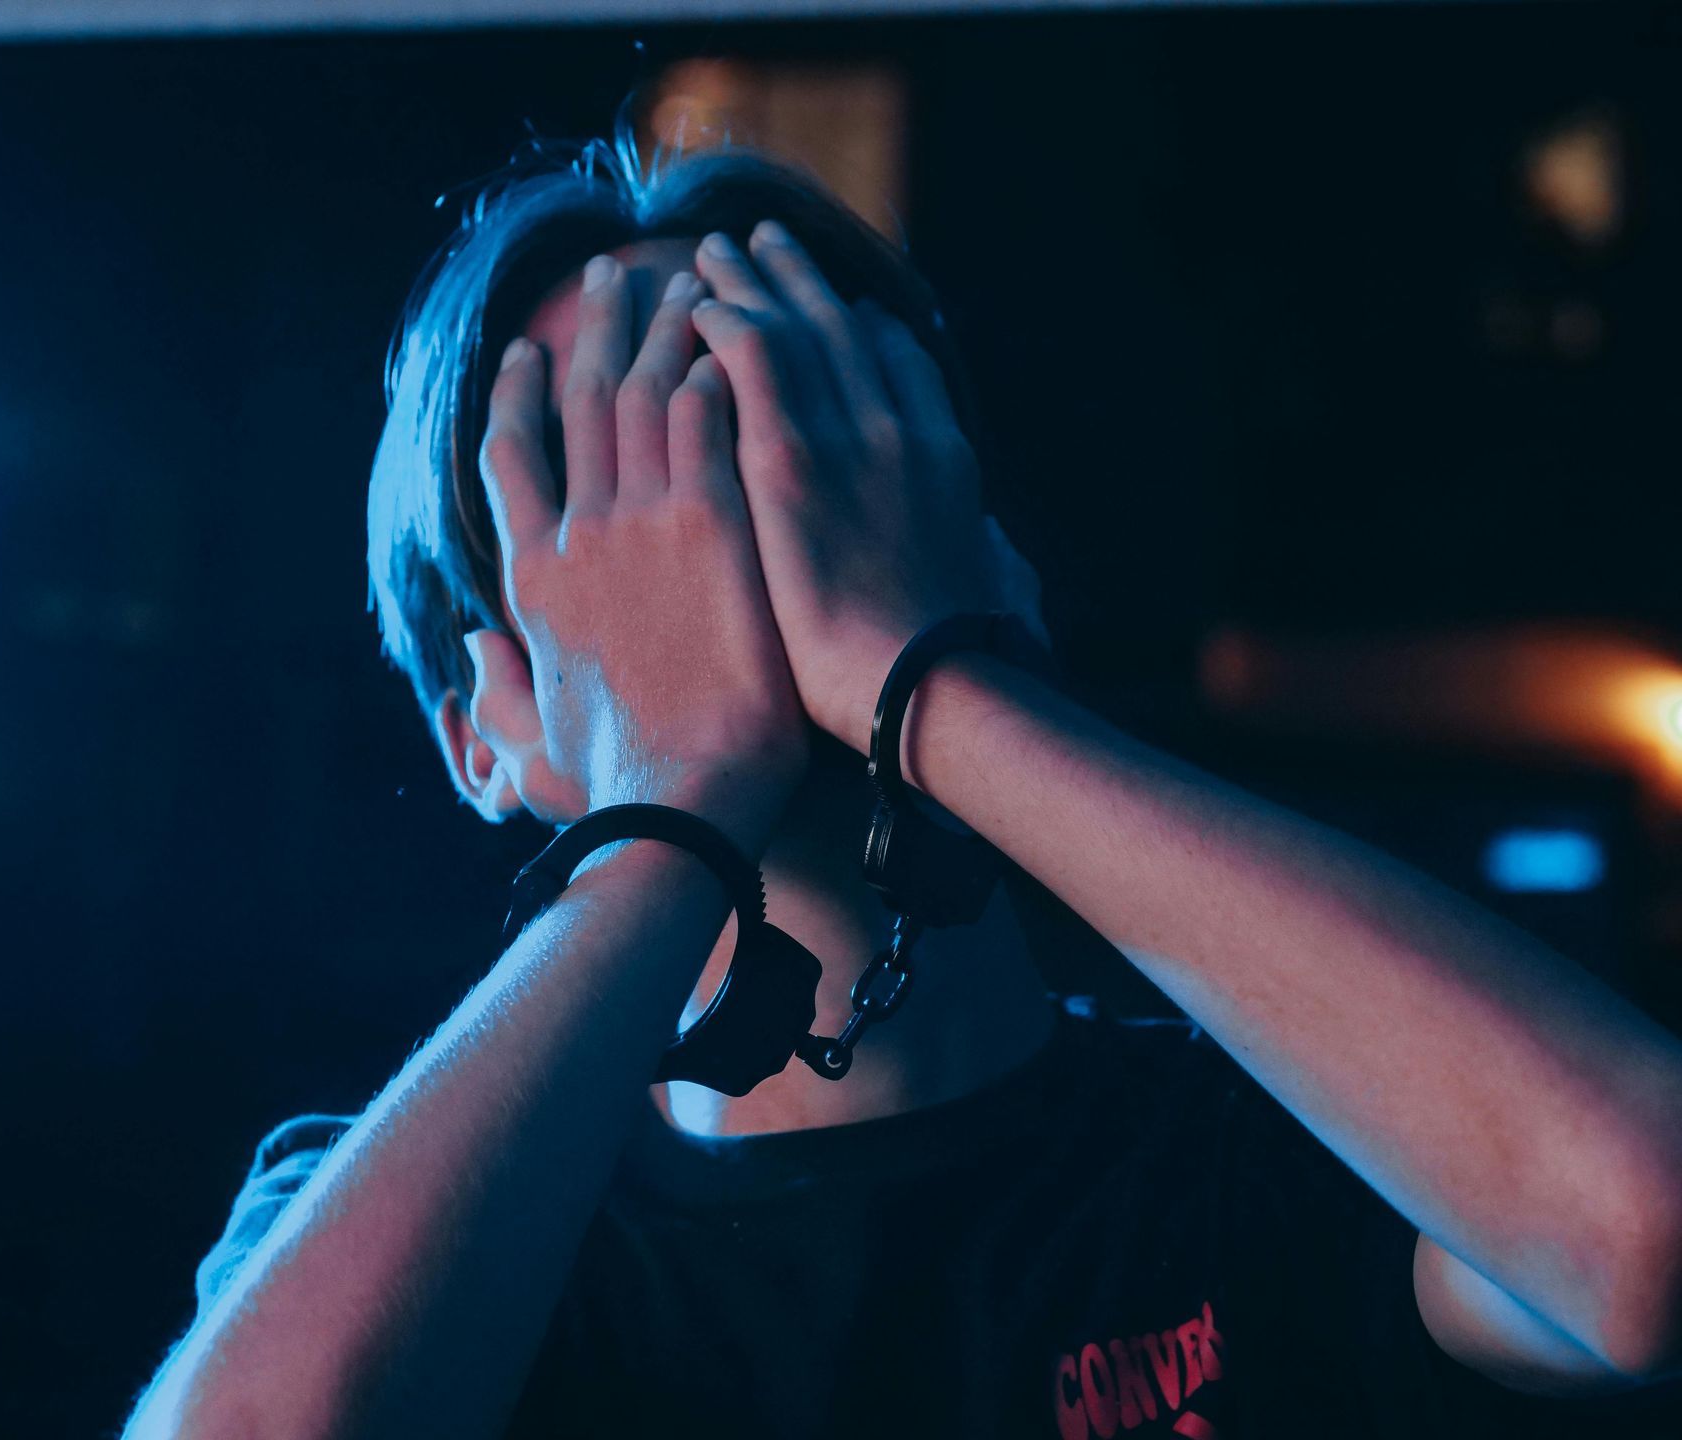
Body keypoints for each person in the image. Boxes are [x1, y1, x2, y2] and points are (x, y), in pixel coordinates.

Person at [122, 126, 1682, 1440]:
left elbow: (1641, 1232)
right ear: (479, 731)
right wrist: (667, 802)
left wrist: (932, 686)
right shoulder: (392, 1225)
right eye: (600, 498)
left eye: (769, 436)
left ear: (955, 532)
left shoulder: (1282, 1139)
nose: (715, 538)